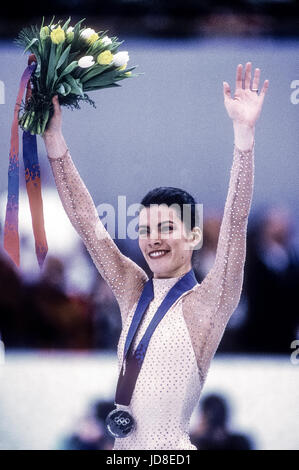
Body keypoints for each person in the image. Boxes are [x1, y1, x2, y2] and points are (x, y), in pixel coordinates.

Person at [42, 62, 269, 450]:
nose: (152, 239)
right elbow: (88, 226)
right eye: (145, 229)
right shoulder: (134, 290)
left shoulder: (208, 304)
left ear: (194, 236)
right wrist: (54, 139)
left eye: (166, 228)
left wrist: (244, 138)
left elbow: (234, 222)